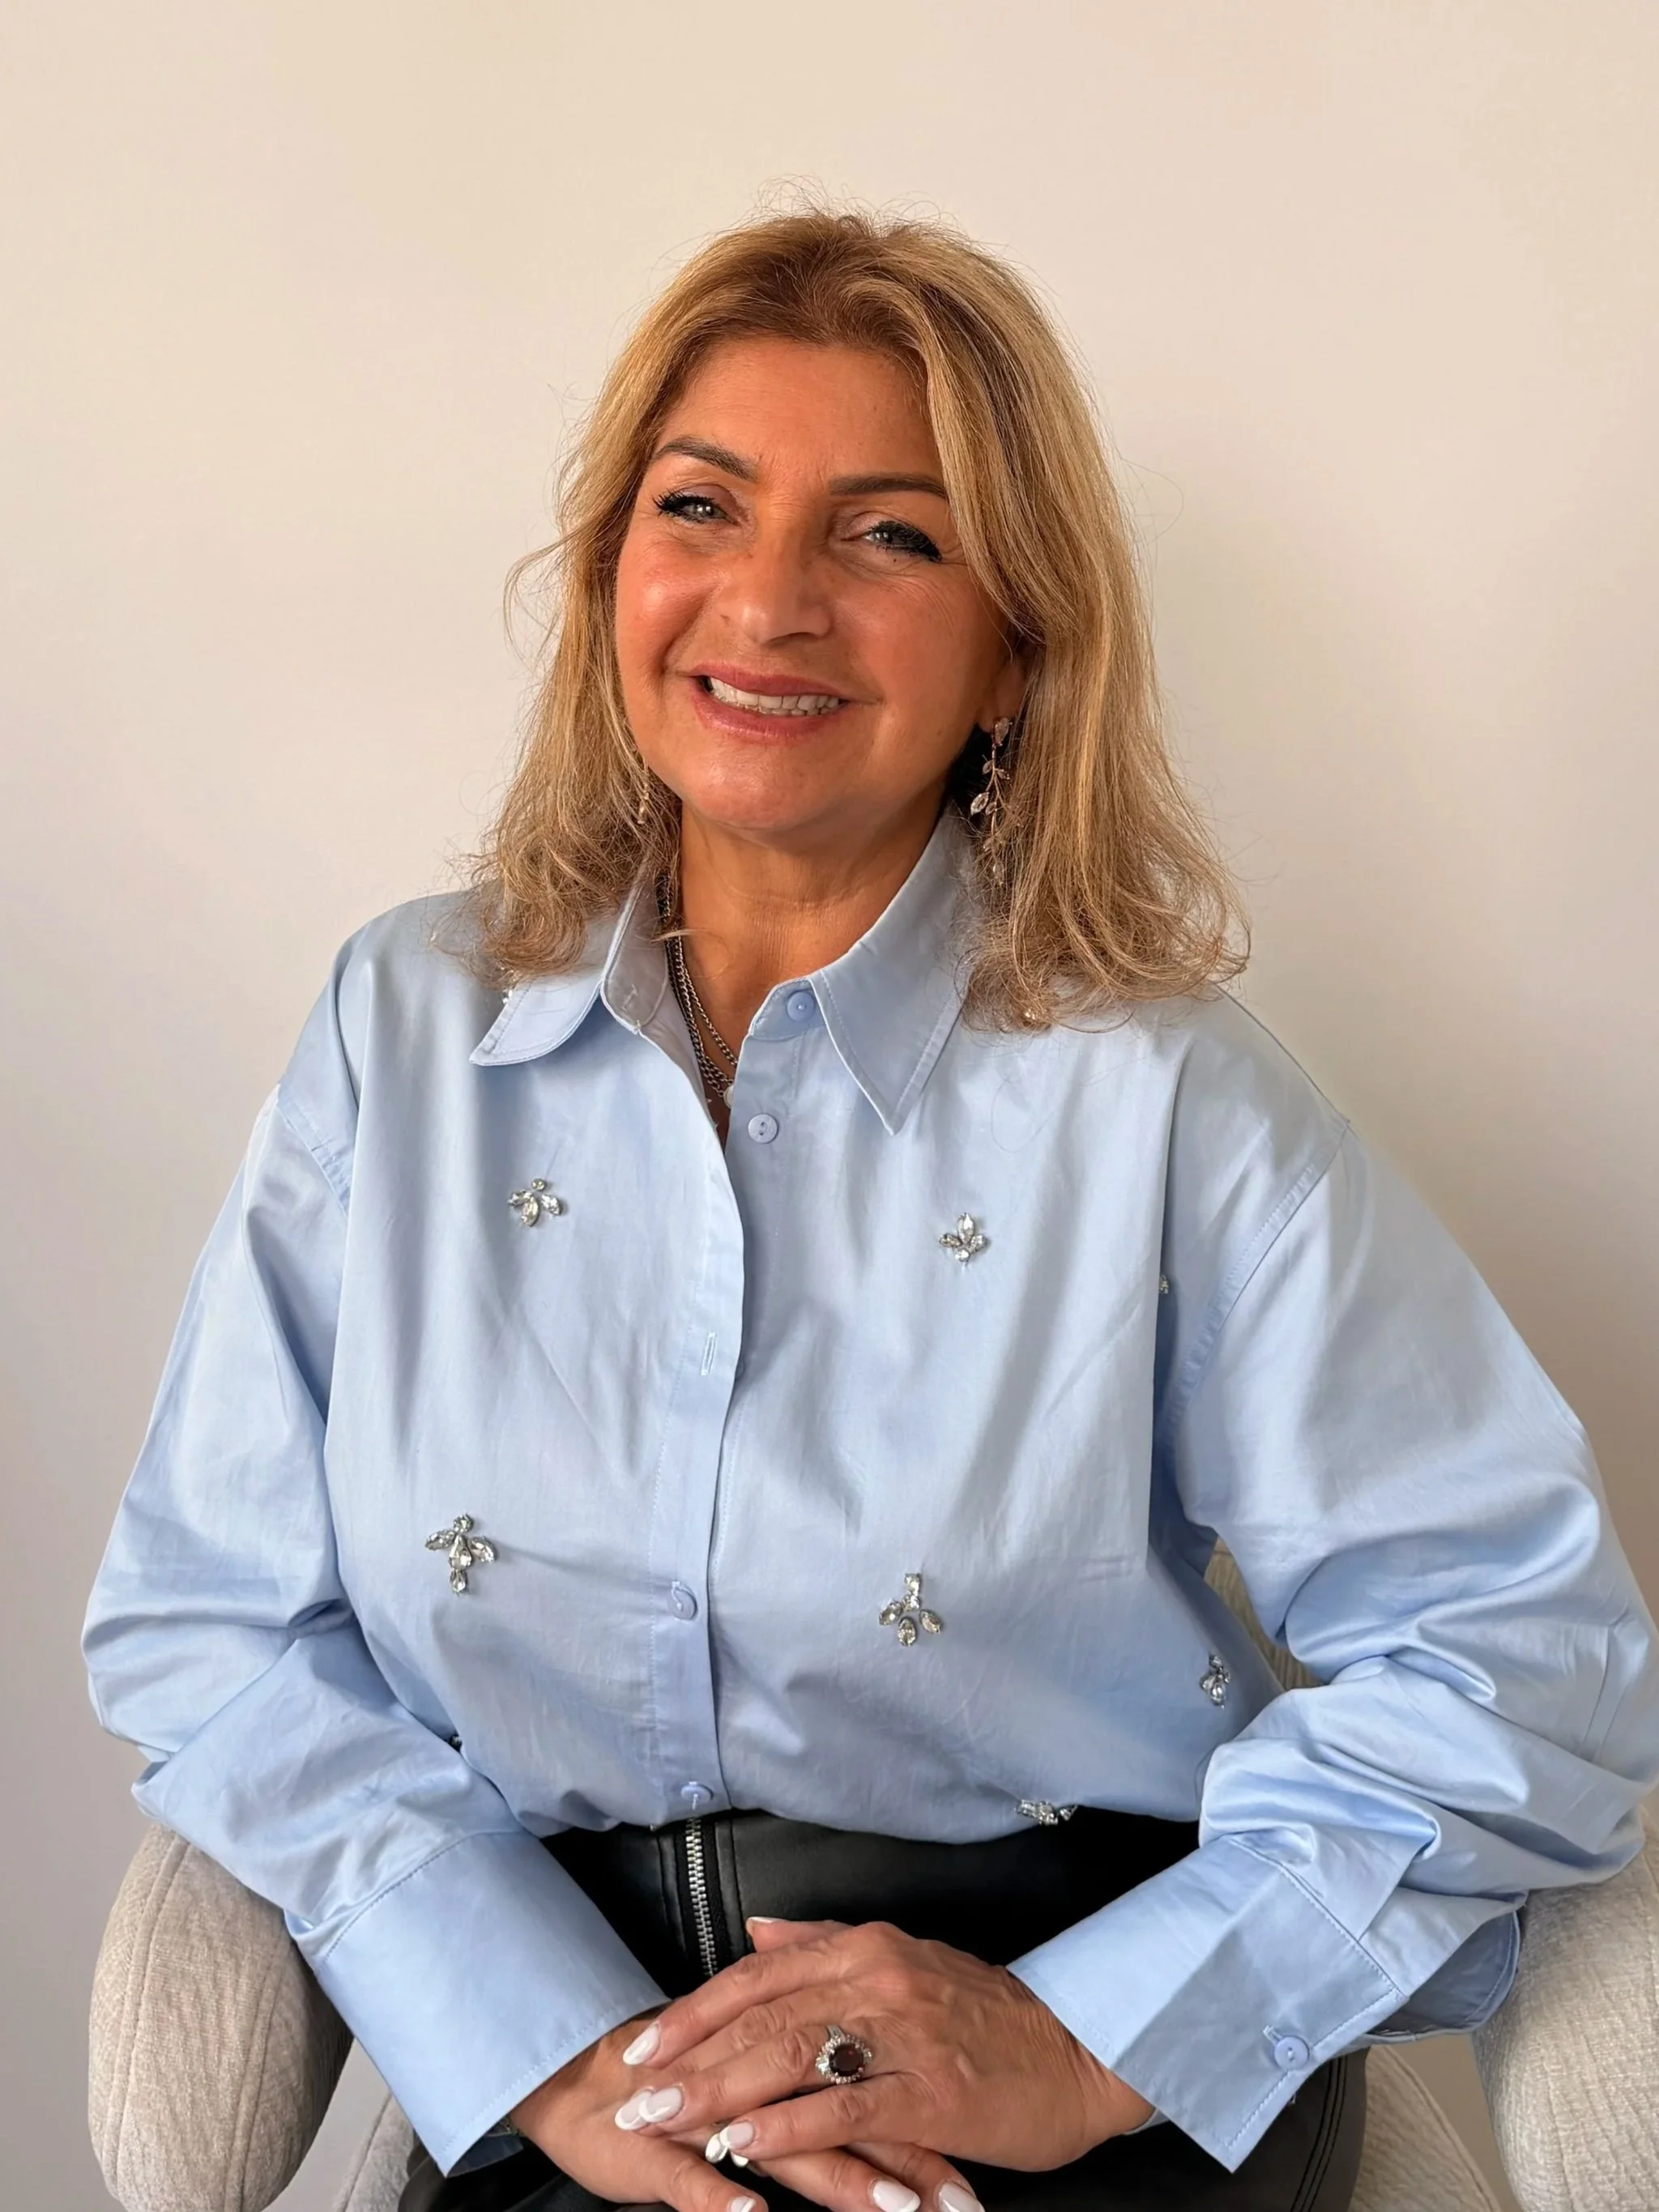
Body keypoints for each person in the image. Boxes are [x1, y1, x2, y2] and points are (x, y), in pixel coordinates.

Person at [83, 207, 1658, 2212]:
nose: (771, 599)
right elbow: (209, 1617)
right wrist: (541, 2039)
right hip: (583, 2075)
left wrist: (1082, 2039)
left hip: (1064, 2079)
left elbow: (1530, 1653)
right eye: (701, 505)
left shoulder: (1169, 1098)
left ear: (1017, 644)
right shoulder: (398, 1031)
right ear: (609, 581)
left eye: (890, 535)